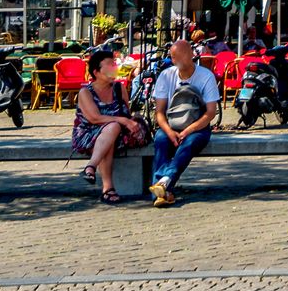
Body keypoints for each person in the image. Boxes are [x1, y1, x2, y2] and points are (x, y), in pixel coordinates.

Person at [148, 38, 220, 207]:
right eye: (174, 57)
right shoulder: (166, 76)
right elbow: (159, 112)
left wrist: (188, 130)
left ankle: (163, 184)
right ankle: (164, 190)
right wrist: (169, 131)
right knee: (161, 140)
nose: (178, 61)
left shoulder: (206, 76)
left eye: (182, 56)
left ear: (192, 55)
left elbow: (210, 113)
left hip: (198, 126)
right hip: (171, 125)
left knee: (189, 144)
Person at [72, 48, 147, 204]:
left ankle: (92, 169)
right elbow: (94, 118)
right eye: (109, 64)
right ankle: (107, 187)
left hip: (116, 135)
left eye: (114, 63)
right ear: (97, 72)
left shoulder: (119, 89)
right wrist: (122, 121)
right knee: (112, 128)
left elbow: (126, 112)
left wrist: (128, 120)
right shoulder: (85, 92)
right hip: (88, 134)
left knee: (112, 130)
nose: (114, 67)